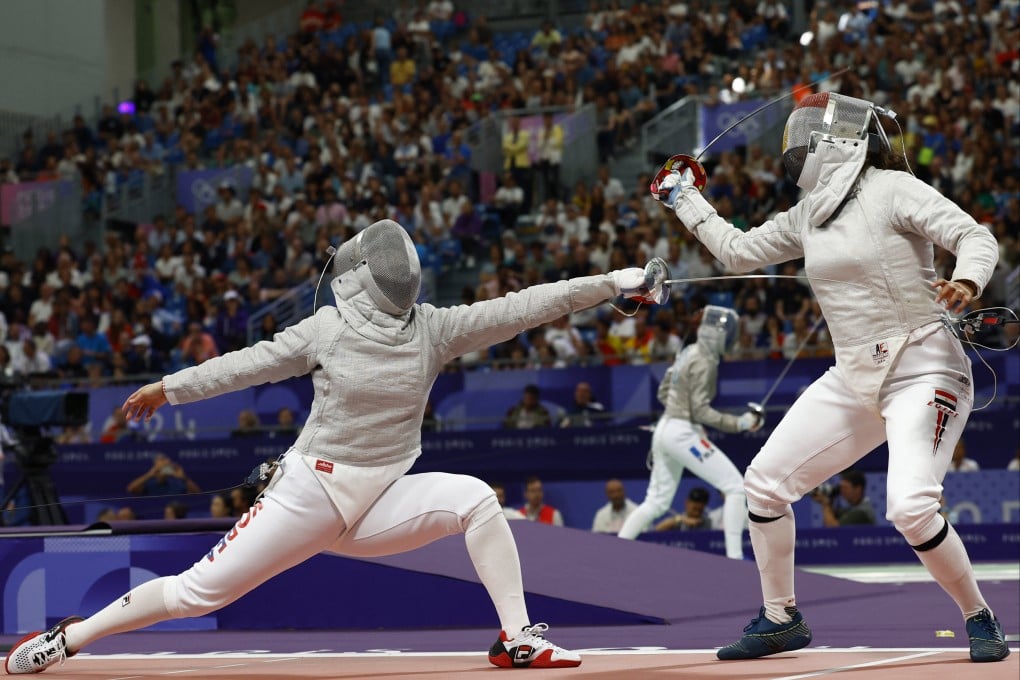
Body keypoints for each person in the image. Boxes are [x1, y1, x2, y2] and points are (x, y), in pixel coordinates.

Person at [7, 218, 665, 673]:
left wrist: (615, 283)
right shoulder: (328, 330)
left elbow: (529, 305)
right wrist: (167, 388)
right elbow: (245, 364)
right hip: (310, 495)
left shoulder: (434, 330)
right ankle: (69, 638)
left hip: (380, 499)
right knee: (194, 593)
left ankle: (517, 638)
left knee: (476, 502)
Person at [657, 91, 1007, 661]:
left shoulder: (892, 189)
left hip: (924, 365)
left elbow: (975, 236)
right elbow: (739, 252)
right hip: (853, 376)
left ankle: (980, 615)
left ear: (836, 140)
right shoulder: (808, 214)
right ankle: (780, 618)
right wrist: (686, 198)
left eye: (804, 135)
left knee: (911, 507)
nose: (794, 146)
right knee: (764, 484)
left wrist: (966, 281)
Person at [616, 306, 761, 561]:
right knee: (736, 488)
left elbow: (664, 392)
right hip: (681, 434)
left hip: (665, 429)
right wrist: (740, 423)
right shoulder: (705, 362)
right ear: (717, 335)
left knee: (656, 503)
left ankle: (613, 553)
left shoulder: (688, 351)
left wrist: (685, 418)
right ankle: (735, 559)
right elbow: (701, 411)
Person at [810, 469, 876, 526]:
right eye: (841, 487)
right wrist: (830, 501)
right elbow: (830, 519)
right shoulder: (850, 509)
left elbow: (834, 531)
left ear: (858, 489)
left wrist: (825, 505)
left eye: (845, 488)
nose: (842, 491)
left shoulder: (862, 512)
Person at [126, 454, 201, 496]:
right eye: (159, 467)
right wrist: (149, 474)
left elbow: (197, 493)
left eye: (165, 465)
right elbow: (131, 489)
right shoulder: (149, 483)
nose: (163, 469)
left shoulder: (177, 482)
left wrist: (184, 478)